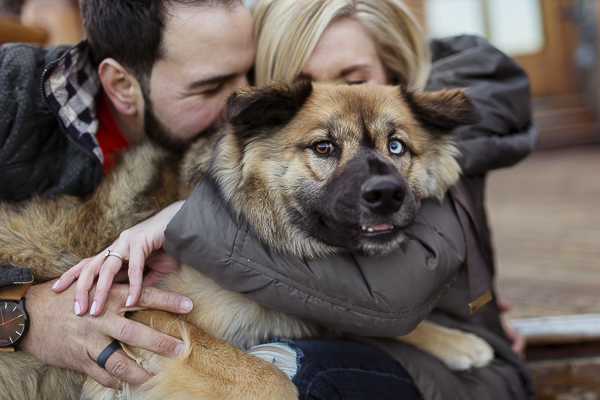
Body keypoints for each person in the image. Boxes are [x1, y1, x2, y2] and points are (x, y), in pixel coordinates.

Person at [58, 0, 536, 398]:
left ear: (393, 65)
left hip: (457, 376)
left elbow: (395, 293)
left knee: (293, 370)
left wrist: (187, 221)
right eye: (310, 86)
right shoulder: (264, 163)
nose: (334, 95)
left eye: (353, 80)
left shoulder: (430, 134)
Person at [0, 0, 254, 390]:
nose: (245, 108)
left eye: (249, 75)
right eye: (211, 87)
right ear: (121, 85)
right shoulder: (10, 91)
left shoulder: (232, 139)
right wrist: (25, 314)